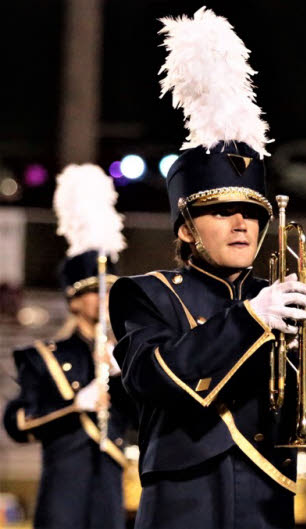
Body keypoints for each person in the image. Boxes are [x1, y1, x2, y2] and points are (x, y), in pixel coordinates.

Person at [108, 8, 306, 528]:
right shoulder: (147, 294)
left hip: (269, 507)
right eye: (220, 211)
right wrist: (248, 320)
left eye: (253, 213)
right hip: (181, 507)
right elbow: (150, 377)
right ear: (186, 228)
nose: (242, 223)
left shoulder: (289, 297)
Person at [2, 164, 132, 529]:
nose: (105, 298)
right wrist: (75, 405)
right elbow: (16, 421)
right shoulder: (45, 357)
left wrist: (127, 380)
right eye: (95, 291)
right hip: (64, 488)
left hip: (110, 487)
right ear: (75, 300)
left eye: (110, 291)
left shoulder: (125, 353)